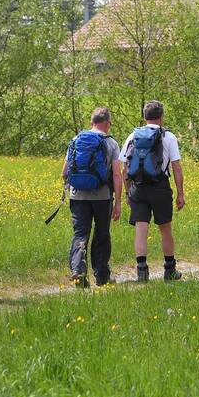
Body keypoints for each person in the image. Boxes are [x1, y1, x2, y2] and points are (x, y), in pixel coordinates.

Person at [121, 100, 185, 282]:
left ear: (144, 117)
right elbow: (177, 167)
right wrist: (180, 194)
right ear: (161, 117)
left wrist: (128, 193)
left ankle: (141, 271)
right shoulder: (168, 137)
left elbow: (124, 168)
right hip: (160, 187)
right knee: (165, 228)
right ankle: (169, 269)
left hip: (138, 187)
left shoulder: (132, 136)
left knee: (141, 228)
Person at [62, 107, 123, 288]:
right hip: (102, 196)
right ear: (106, 123)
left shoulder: (76, 140)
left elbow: (64, 172)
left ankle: (78, 271)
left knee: (80, 233)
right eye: (110, 123)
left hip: (77, 195)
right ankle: (102, 276)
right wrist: (118, 202)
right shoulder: (111, 143)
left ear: (92, 122)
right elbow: (117, 176)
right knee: (102, 233)